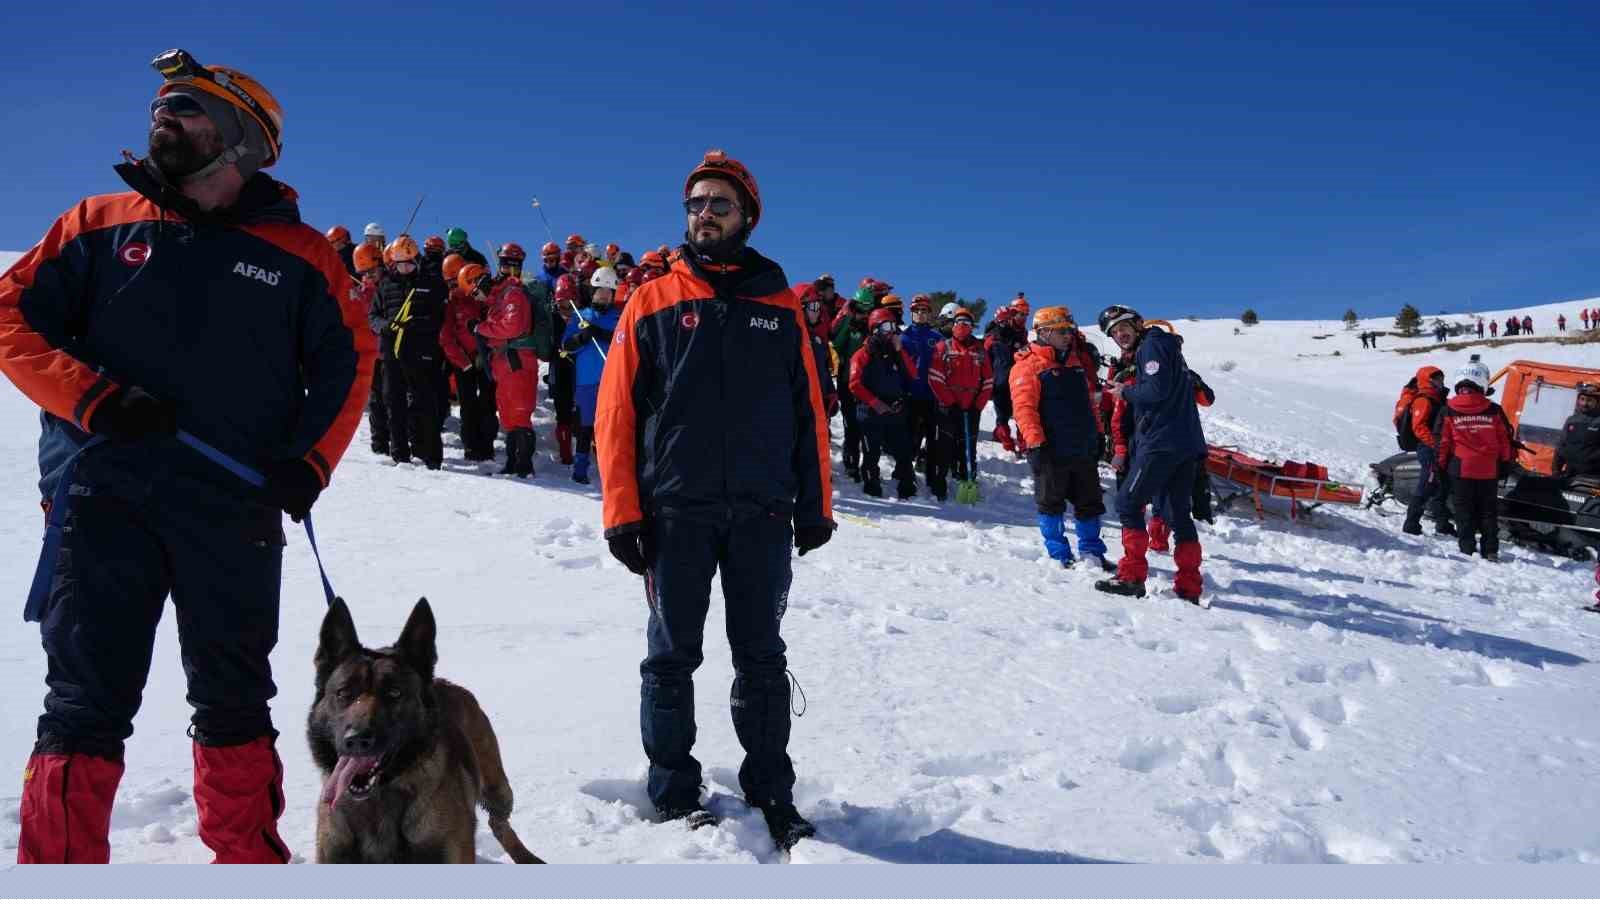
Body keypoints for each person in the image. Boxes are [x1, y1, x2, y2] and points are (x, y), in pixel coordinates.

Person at [1, 48, 375, 863]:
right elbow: (9, 319)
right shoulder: (94, 224)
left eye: (187, 105)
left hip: (232, 513)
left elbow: (351, 363)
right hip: (101, 501)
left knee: (236, 700)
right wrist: (92, 398)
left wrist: (308, 462)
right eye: (162, 103)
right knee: (81, 706)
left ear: (239, 136)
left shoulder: (305, 255)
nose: (161, 115)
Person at [595, 149, 832, 851]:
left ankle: (771, 789)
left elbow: (809, 411)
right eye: (695, 204)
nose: (703, 214)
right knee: (670, 656)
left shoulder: (779, 304)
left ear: (746, 215)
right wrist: (622, 512)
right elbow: (615, 414)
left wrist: (815, 503)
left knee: (761, 656)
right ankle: (672, 791)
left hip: (762, 511)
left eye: (718, 204)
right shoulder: (652, 299)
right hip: (676, 510)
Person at [1095, 306, 1207, 602]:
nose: (1119, 334)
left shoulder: (1152, 346)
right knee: (1179, 515)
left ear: (1137, 324)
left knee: (1127, 503)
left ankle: (1131, 576)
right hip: (1185, 443)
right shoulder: (1166, 347)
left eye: (1122, 327)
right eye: (1113, 332)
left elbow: (1155, 391)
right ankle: (1189, 587)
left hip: (1161, 442)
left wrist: (1125, 393)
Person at [1010, 307, 1112, 570]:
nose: (1069, 335)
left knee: (1089, 503)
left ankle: (1092, 552)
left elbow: (1089, 404)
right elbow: (1024, 409)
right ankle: (1058, 555)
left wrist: (1099, 434)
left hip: (1082, 446)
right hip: (1049, 448)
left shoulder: (1075, 364)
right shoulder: (1027, 365)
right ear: (1044, 332)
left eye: (1070, 330)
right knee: (1051, 503)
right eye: (1062, 331)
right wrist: (1035, 443)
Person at [369, 235, 447, 469]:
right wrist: (386, 326)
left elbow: (438, 317)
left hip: (421, 352)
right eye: (400, 264)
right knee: (393, 403)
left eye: (409, 263)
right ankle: (399, 454)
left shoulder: (430, 282)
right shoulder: (385, 285)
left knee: (425, 404)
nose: (404, 268)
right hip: (391, 353)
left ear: (416, 259)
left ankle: (430, 456)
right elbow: (373, 316)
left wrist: (415, 325)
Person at [463, 260, 540, 477]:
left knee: (519, 413)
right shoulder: (498, 299)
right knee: (508, 415)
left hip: (517, 362)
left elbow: (511, 326)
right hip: (504, 365)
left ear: (480, 282)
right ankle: (513, 463)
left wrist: (480, 327)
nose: (475, 298)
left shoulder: (512, 295)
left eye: (475, 292)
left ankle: (524, 466)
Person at [1437, 362, 1512, 560]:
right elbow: (1505, 440)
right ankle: (1490, 550)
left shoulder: (1448, 410)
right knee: (1488, 511)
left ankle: (1467, 548)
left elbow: (1442, 443)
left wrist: (1439, 466)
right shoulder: (1494, 410)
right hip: (1489, 469)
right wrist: (1505, 464)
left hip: (1460, 468)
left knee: (1463, 510)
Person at [850, 308, 920, 498]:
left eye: (893, 326)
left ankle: (907, 485)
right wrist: (875, 403)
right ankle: (871, 485)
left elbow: (913, 374)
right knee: (871, 452)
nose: (892, 331)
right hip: (871, 412)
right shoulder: (863, 353)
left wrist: (901, 352)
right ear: (875, 329)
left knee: (904, 450)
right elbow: (854, 384)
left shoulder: (897, 351)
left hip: (895, 410)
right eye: (887, 327)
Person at [561, 266, 621, 484]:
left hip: (612, 381)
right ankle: (580, 470)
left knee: (610, 429)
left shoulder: (619, 316)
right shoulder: (582, 316)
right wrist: (581, 338)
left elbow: (623, 340)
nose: (604, 295)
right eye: (600, 291)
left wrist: (599, 333)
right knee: (586, 427)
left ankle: (611, 472)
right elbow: (565, 345)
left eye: (608, 292)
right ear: (592, 292)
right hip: (586, 381)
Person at [438, 254, 497, 462]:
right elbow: (446, 337)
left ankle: (487, 446)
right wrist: (464, 363)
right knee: (469, 405)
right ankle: (471, 447)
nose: (455, 286)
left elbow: (494, 326)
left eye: (457, 280)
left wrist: (487, 355)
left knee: (488, 403)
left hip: (486, 360)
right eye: (450, 282)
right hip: (463, 363)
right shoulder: (452, 302)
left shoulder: (484, 297)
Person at [928, 308, 993, 491]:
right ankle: (939, 480)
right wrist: (949, 402)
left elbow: (988, 380)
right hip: (948, 406)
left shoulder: (980, 350)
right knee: (945, 444)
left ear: (972, 326)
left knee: (968, 445)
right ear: (953, 324)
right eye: (959, 322)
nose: (962, 326)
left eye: (967, 323)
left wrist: (978, 405)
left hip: (971, 405)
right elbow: (935, 377)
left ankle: (968, 479)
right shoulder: (943, 347)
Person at [1398, 366, 1454, 537]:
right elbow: (1418, 427)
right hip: (1428, 448)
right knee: (1427, 484)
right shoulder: (1424, 400)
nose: (1440, 381)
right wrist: (1435, 444)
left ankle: (1442, 523)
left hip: (1438, 448)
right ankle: (1411, 523)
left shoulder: (1438, 398)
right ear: (1427, 380)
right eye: (1436, 379)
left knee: (1442, 485)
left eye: (1441, 378)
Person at [901, 295, 945, 492]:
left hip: (932, 396)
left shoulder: (937, 339)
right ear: (911, 313)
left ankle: (932, 478)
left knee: (933, 439)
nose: (920, 314)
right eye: (917, 310)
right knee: (909, 438)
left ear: (930, 314)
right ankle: (905, 475)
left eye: (924, 310)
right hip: (910, 395)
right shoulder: (904, 336)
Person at [831, 289, 873, 480]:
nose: (863, 315)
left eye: (867, 311)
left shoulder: (871, 327)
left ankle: (869, 467)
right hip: (846, 382)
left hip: (867, 384)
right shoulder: (847, 323)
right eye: (860, 310)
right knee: (851, 426)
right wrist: (848, 325)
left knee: (866, 426)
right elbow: (836, 346)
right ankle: (851, 463)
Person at [985, 306, 1029, 453]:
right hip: (1009, 381)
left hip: (1005, 381)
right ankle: (1016, 445)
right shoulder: (1012, 337)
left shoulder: (996, 337)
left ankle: (1013, 445)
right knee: (1013, 414)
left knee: (1008, 415)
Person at [1554, 383, 1600, 479]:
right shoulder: (1571, 420)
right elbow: (1561, 445)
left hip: (1593, 476)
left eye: (1590, 400)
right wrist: (1556, 469)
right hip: (1570, 473)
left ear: (1597, 402)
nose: (1584, 403)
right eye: (1582, 399)